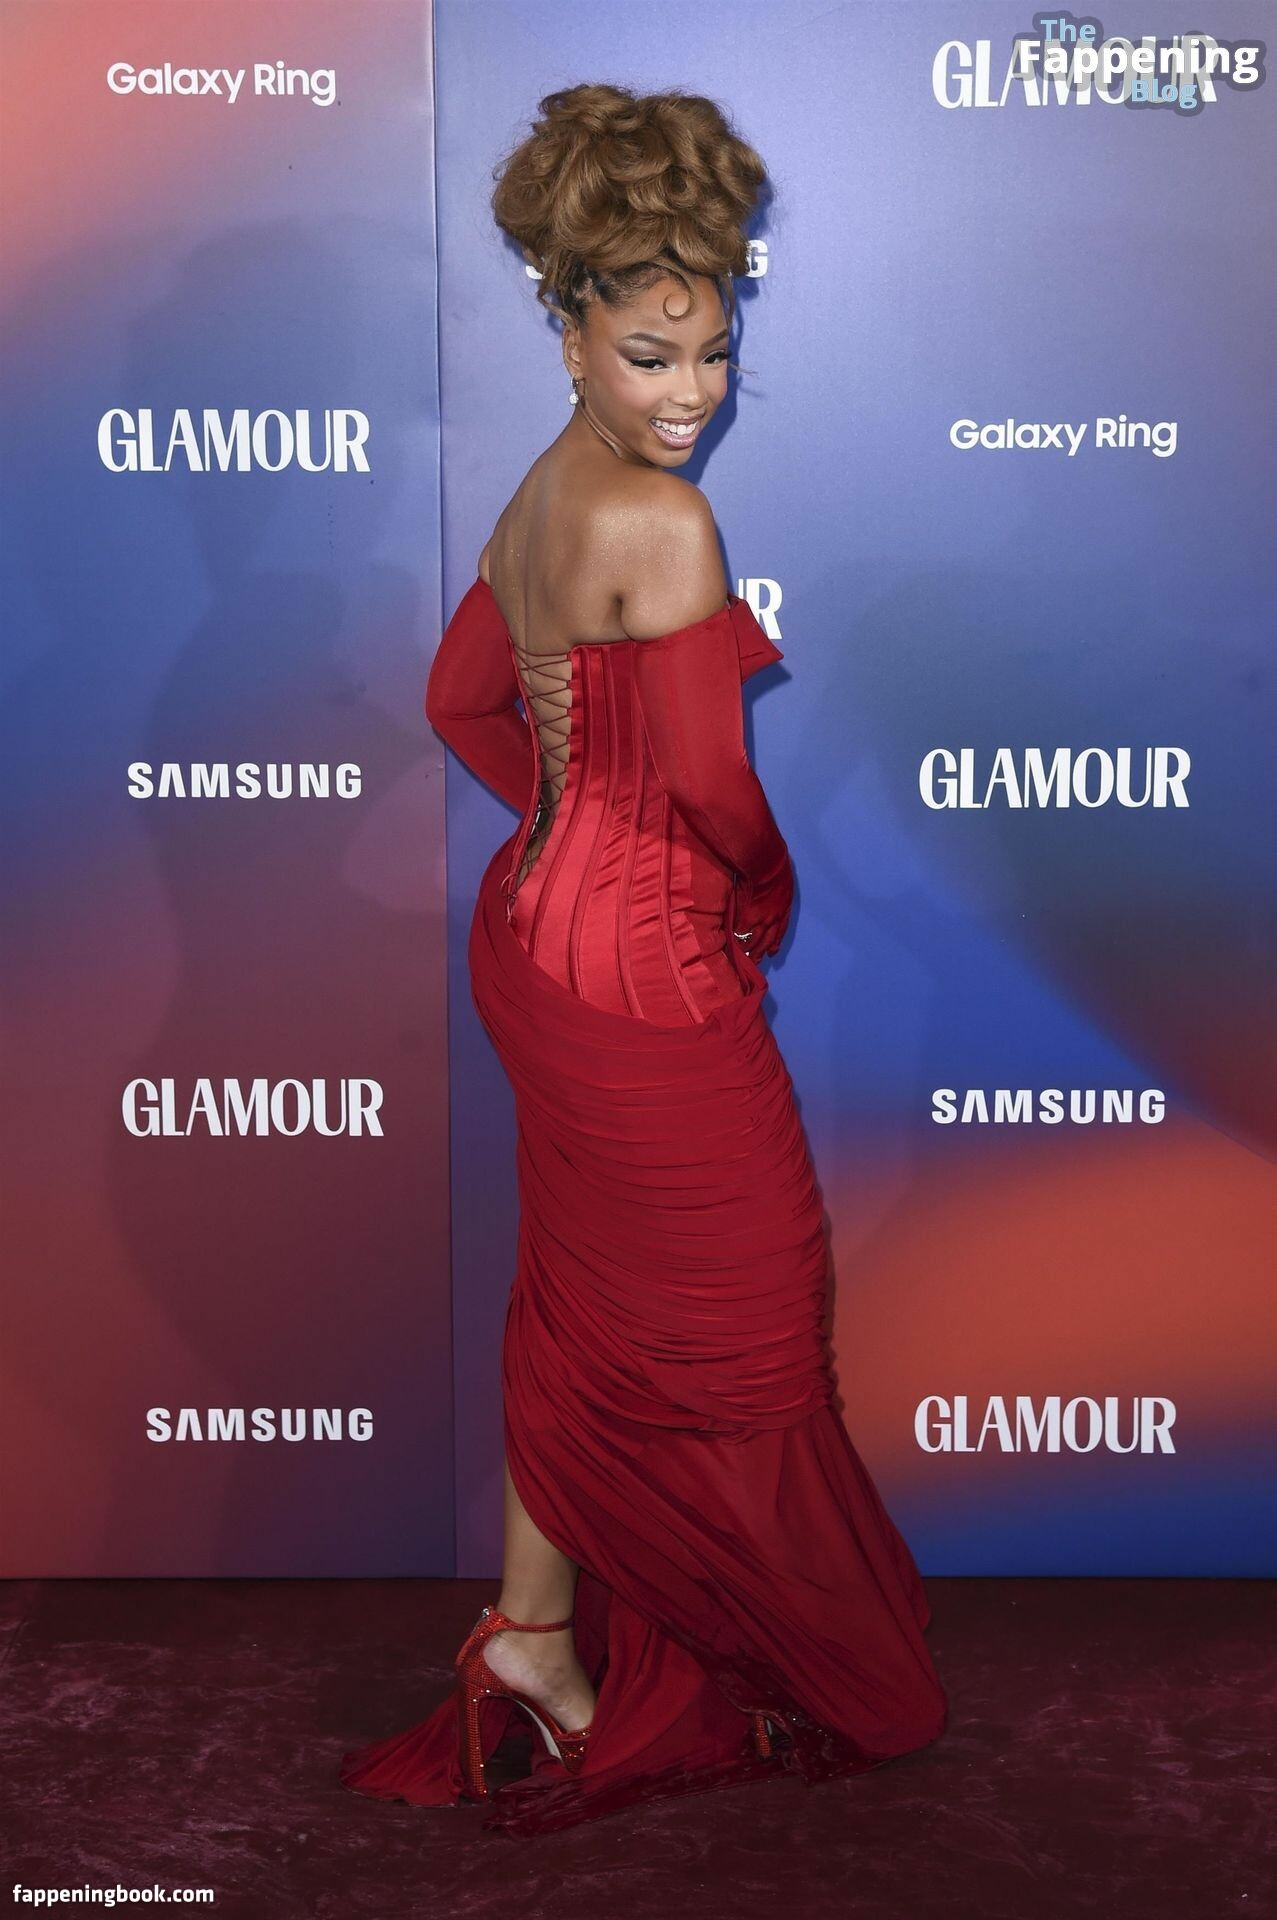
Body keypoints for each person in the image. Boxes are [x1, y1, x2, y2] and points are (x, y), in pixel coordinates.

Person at [339, 81, 946, 1837]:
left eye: (714, 352)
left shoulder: (540, 494)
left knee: (587, 1308)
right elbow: (710, 790)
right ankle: (675, 1640)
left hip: (534, 947)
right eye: (649, 355)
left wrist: (563, 829)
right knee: (739, 1324)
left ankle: (531, 1639)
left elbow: (461, 699)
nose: (690, 395)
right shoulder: (664, 527)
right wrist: (745, 897)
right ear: (568, 333)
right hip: (644, 981)